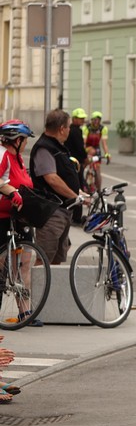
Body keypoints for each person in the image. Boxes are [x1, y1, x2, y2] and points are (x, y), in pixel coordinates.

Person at [0, 120, 42, 327]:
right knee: (1, 268)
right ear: (17, 140)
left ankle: (25, 313)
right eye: (24, 140)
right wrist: (11, 192)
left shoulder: (19, 159)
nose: (26, 143)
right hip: (2, 217)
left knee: (24, 264)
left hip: (20, 217)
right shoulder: (2, 155)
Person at [29, 110, 85, 265]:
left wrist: (79, 192)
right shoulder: (44, 148)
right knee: (44, 259)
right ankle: (41, 282)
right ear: (61, 129)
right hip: (51, 212)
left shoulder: (58, 147)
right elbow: (52, 179)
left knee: (57, 258)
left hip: (63, 211)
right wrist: (75, 196)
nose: (69, 130)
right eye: (68, 127)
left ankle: (51, 282)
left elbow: (64, 175)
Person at [64, 108, 89, 223]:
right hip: (76, 163)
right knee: (78, 186)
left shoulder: (69, 129)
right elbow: (80, 147)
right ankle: (77, 217)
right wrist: (85, 157)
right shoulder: (76, 131)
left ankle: (73, 214)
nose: (82, 120)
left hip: (69, 161)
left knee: (72, 186)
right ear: (74, 119)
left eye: (83, 118)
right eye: (80, 118)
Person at [82, 111, 110, 190]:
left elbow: (104, 143)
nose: (96, 122)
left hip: (96, 148)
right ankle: (81, 179)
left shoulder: (103, 128)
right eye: (94, 120)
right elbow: (84, 142)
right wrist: (83, 152)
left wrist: (107, 154)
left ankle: (98, 189)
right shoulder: (86, 128)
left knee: (97, 169)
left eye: (98, 120)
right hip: (87, 147)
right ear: (91, 120)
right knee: (83, 165)